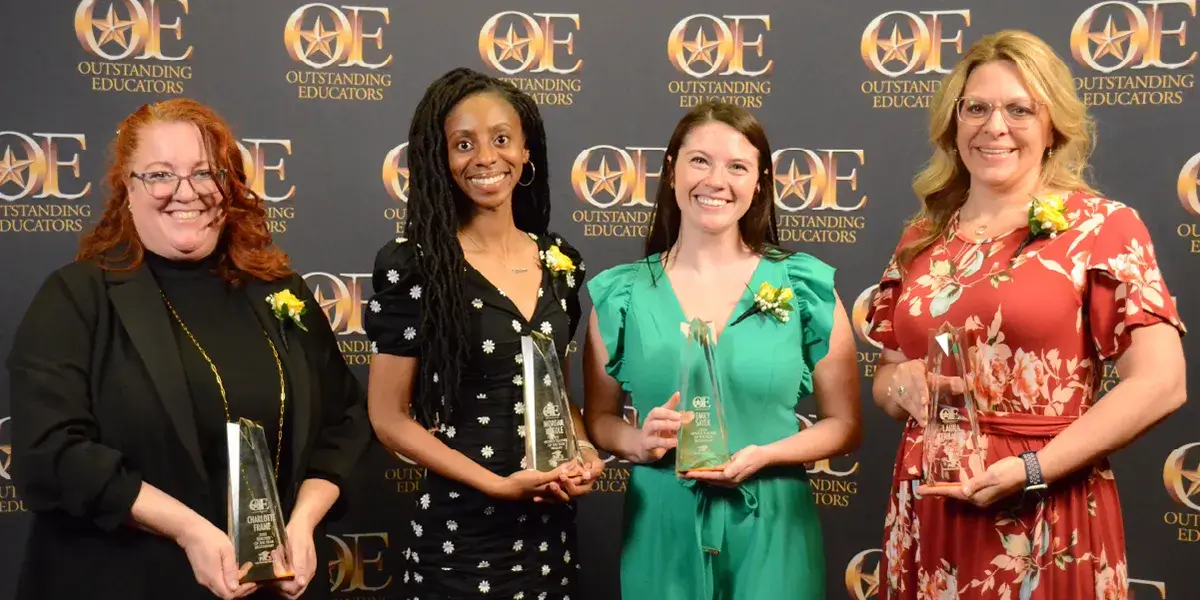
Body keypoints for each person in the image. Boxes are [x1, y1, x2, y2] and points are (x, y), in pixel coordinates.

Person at [865, 30, 1187, 599]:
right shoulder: (922, 237)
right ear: (953, 121)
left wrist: (1034, 469)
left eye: (1020, 109)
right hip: (928, 506)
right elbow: (888, 377)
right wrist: (902, 388)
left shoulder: (1101, 226)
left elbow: (1162, 383)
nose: (995, 126)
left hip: (1044, 505)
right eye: (978, 108)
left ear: (1052, 125)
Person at [6, 99, 372, 600]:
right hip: (122, 581)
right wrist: (188, 530)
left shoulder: (279, 290)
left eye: (206, 173)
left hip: (273, 589)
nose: (187, 192)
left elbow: (345, 419)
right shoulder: (76, 297)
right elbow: (50, 454)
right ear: (126, 189)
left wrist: (303, 523)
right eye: (160, 174)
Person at [582, 100, 863, 599]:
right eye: (699, 161)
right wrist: (638, 444)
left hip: (773, 521)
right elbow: (600, 419)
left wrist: (766, 455)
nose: (716, 180)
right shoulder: (620, 294)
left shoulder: (803, 286)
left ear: (758, 183)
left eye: (737, 166)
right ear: (671, 171)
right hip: (661, 523)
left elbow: (844, 424)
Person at [363, 67, 603, 599]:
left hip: (548, 538)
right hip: (457, 539)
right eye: (463, 144)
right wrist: (495, 484)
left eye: (501, 139)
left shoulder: (559, 261)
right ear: (440, 160)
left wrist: (582, 447)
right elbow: (388, 417)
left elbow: (555, 393)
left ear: (526, 152)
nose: (485, 158)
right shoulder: (414, 265)